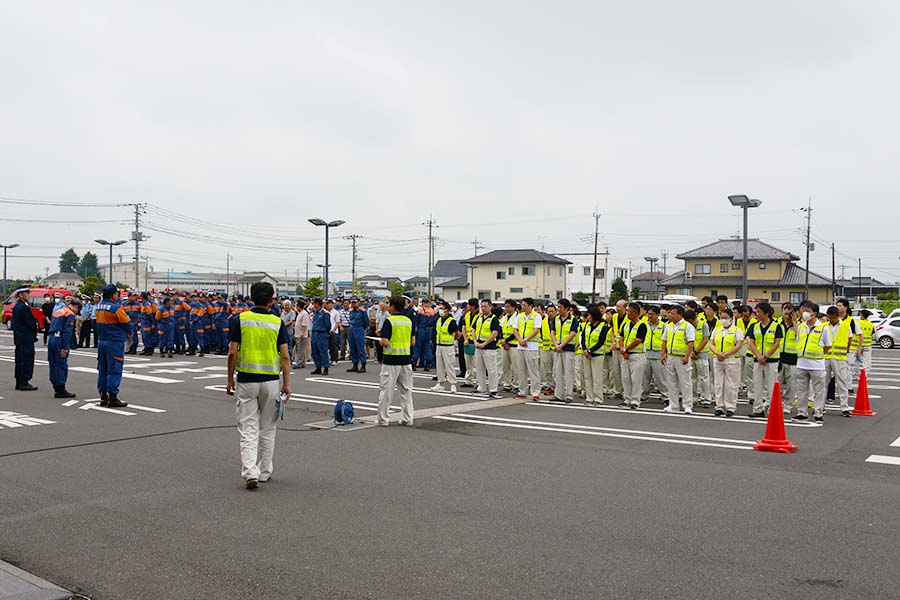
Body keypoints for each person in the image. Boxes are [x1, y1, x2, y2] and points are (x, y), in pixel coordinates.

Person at [226, 282, 291, 490]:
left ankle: (250, 472)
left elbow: (232, 352)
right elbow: (285, 356)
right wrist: (287, 383)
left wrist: (229, 379)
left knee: (248, 428)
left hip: (246, 380)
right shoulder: (277, 322)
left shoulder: (241, 319)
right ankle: (264, 471)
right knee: (268, 428)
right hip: (271, 381)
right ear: (271, 299)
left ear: (251, 298)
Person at [377, 296, 415, 426]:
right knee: (406, 390)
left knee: (386, 391)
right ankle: (407, 418)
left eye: (389, 304)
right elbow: (412, 341)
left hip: (391, 360)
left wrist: (381, 340)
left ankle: (383, 419)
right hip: (406, 359)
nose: (388, 307)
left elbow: (385, 342)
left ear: (393, 307)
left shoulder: (389, 321)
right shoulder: (408, 321)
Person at [94, 284, 132, 408]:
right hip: (114, 341)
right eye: (116, 294)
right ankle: (113, 397)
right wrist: (130, 333)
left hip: (102, 341)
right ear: (112, 295)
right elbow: (126, 322)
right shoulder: (115, 308)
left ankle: (103, 396)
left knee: (103, 369)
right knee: (114, 369)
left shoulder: (99, 306)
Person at [793, 302, 832, 422]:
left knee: (819, 390)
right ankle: (802, 412)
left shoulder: (823, 327)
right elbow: (798, 341)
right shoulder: (801, 327)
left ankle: (818, 412)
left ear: (814, 313)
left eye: (808, 310)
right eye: (803, 310)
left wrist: (818, 353)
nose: (804, 313)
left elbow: (828, 345)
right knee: (801, 390)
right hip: (801, 363)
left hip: (817, 364)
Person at [745, 302, 784, 417]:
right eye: (755, 312)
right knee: (757, 384)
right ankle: (757, 409)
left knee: (771, 385)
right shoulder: (754, 326)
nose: (756, 314)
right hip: (757, 360)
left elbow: (777, 343)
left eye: (759, 312)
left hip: (771, 360)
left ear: (766, 313)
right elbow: (751, 342)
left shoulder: (776, 326)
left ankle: (772, 409)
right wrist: (758, 356)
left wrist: (766, 356)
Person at [709, 307, 744, 417]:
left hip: (731, 360)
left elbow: (738, 345)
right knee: (719, 384)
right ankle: (719, 406)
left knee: (731, 385)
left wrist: (726, 354)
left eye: (725, 317)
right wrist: (718, 353)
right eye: (721, 317)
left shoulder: (736, 330)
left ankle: (730, 407)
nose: (723, 320)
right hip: (718, 359)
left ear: (731, 318)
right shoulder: (717, 329)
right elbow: (711, 343)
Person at [661, 305, 695, 414]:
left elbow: (691, 342)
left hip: (682, 358)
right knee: (671, 382)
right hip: (670, 357)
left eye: (673, 313)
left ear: (680, 314)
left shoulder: (687, 326)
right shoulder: (669, 326)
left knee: (685, 382)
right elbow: (664, 341)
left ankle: (687, 405)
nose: (670, 315)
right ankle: (673, 405)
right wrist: (663, 354)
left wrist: (686, 356)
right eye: (670, 313)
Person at [824, 304, 854, 417]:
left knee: (842, 382)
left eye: (833, 318)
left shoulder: (846, 326)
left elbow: (850, 339)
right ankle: (820, 407)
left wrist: (846, 350)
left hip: (839, 357)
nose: (831, 320)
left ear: (838, 316)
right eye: (829, 318)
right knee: (823, 383)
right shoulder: (824, 326)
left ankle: (844, 407)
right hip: (826, 357)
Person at [48, 298, 81, 398]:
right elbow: (67, 333)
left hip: (52, 338)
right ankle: (61, 388)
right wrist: (65, 348)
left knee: (53, 364)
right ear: (75, 307)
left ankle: (56, 387)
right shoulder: (70, 314)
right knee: (61, 365)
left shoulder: (58, 311)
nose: (77, 312)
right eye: (77, 309)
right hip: (60, 341)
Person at [550, 299, 579, 403]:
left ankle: (568, 395)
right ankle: (558, 394)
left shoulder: (573, 320)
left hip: (568, 349)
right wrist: (556, 345)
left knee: (568, 372)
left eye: (560, 307)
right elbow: (552, 333)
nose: (559, 309)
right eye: (558, 307)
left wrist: (561, 345)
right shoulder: (556, 319)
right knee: (557, 372)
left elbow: (572, 334)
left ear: (567, 308)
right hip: (557, 349)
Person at [581, 306, 611, 405]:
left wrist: (590, 351)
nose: (588, 317)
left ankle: (598, 398)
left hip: (597, 354)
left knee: (597, 377)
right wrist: (585, 349)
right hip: (587, 354)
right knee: (587, 377)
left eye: (589, 315)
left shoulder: (603, 326)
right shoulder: (587, 325)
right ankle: (589, 397)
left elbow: (601, 341)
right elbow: (583, 338)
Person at [620, 302, 648, 409]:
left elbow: (638, 340)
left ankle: (635, 401)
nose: (628, 313)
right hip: (626, 355)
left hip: (637, 355)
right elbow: (621, 337)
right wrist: (623, 349)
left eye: (629, 311)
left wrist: (626, 349)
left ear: (635, 312)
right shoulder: (626, 324)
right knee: (626, 378)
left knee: (636, 379)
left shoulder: (642, 325)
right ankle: (627, 399)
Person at [514, 297, 542, 401]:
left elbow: (536, 330)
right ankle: (522, 391)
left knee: (533, 370)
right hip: (521, 346)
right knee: (521, 370)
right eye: (522, 305)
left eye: (524, 305)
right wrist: (520, 340)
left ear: (530, 306)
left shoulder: (536, 316)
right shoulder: (520, 316)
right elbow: (515, 329)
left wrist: (525, 339)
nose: (522, 306)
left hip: (531, 346)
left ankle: (535, 393)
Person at [473, 299, 502, 398]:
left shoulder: (494, 319)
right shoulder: (479, 317)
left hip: (489, 347)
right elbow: (473, 329)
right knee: (479, 368)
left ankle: (493, 389)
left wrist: (484, 344)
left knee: (491, 369)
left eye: (485, 306)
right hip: (478, 346)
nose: (483, 308)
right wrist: (475, 341)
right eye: (482, 306)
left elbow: (495, 334)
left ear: (490, 307)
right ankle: (481, 387)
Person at [12, 287, 39, 391]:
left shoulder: (17, 306)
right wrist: (34, 331)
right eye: (26, 293)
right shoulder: (23, 307)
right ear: (20, 295)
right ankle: (24, 382)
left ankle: (19, 382)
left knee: (19, 359)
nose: (28, 295)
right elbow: (30, 322)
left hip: (19, 337)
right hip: (25, 337)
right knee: (26, 359)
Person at [642, 305, 668, 405]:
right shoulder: (644, 324)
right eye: (648, 314)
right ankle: (644, 395)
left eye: (651, 314)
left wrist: (664, 353)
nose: (649, 316)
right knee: (645, 377)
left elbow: (666, 340)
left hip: (658, 354)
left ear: (658, 315)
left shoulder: (664, 326)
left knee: (661, 378)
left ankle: (665, 396)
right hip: (646, 353)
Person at [685, 309, 712, 408]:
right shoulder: (687, 326)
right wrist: (691, 353)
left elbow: (705, 339)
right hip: (691, 354)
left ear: (692, 319)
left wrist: (696, 351)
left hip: (702, 354)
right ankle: (693, 398)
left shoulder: (703, 325)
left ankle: (706, 399)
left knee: (704, 378)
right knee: (692, 378)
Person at [431, 301, 458, 393]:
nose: (440, 310)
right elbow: (435, 331)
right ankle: (440, 383)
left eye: (442, 308)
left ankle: (453, 384)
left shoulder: (451, 321)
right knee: (439, 366)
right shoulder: (438, 320)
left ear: (447, 310)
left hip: (448, 346)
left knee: (449, 365)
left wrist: (454, 342)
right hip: (439, 345)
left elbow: (457, 334)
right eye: (440, 308)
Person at [778, 304, 799, 414]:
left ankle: (787, 405)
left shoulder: (800, 325)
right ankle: (775, 403)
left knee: (791, 384)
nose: (787, 316)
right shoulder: (777, 323)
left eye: (790, 314)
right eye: (785, 313)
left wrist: (794, 322)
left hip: (793, 358)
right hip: (779, 357)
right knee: (777, 382)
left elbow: (799, 336)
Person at [346, 297, 369, 373]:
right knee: (353, 348)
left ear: (358, 302)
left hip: (359, 329)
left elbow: (366, 322)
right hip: (352, 329)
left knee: (360, 348)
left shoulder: (362, 311)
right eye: (352, 302)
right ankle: (355, 365)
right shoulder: (351, 311)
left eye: (355, 302)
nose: (353, 304)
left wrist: (362, 329)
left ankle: (363, 365)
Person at [461, 299, 479, 388]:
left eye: (468, 305)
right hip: (468, 341)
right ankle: (469, 381)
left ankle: (479, 382)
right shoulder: (467, 315)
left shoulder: (480, 315)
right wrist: (465, 339)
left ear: (473, 306)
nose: (467, 307)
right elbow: (463, 327)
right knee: (468, 363)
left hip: (476, 342)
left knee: (478, 364)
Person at [310, 298, 331, 375]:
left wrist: (325, 332)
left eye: (315, 303)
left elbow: (328, 325)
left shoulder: (325, 313)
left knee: (323, 351)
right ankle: (318, 367)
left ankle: (326, 367)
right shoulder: (315, 313)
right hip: (315, 333)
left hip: (322, 333)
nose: (313, 305)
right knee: (315, 351)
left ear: (318, 304)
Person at [540, 304, 557, 396]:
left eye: (552, 312)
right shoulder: (543, 322)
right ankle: (550, 387)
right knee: (547, 370)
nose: (550, 313)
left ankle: (557, 387)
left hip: (556, 348)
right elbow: (542, 333)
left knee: (556, 370)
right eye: (549, 312)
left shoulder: (558, 321)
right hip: (546, 348)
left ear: (556, 312)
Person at [292, 300, 311, 368]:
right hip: (298, 333)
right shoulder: (300, 313)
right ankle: (302, 363)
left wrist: (303, 333)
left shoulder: (304, 313)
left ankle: (299, 363)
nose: (296, 307)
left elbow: (304, 324)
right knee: (300, 349)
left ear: (299, 306)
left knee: (300, 350)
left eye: (297, 306)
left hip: (301, 334)